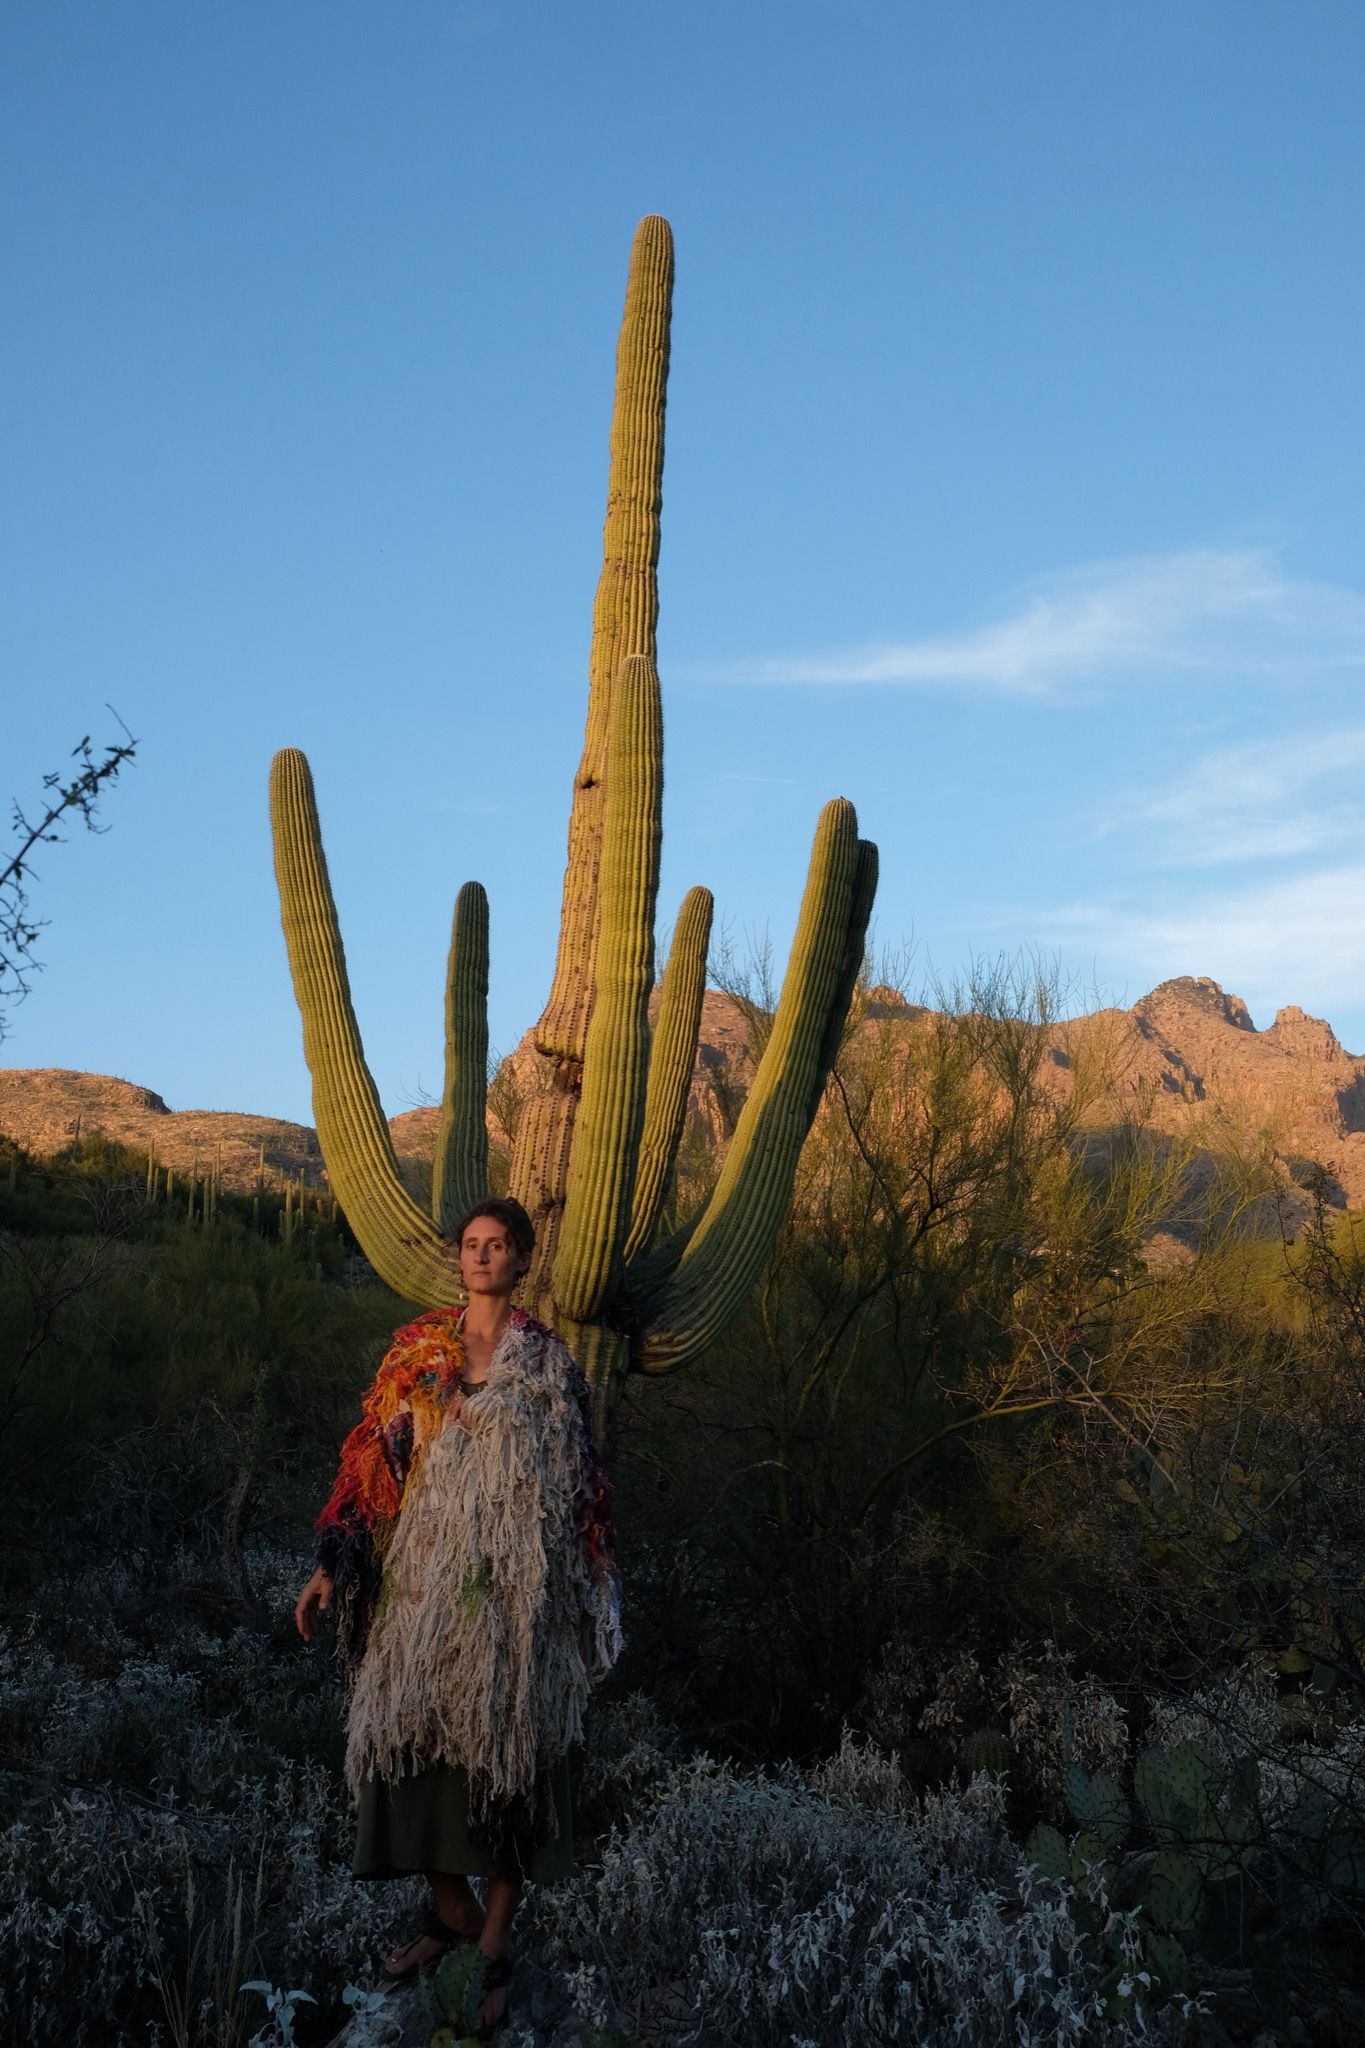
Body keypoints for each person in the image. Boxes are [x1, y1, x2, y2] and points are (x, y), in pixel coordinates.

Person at [294, 1196, 621, 2040]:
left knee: (514, 1759)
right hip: (426, 1590)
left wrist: (593, 1590)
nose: (481, 1257)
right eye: (471, 1245)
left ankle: (495, 1940)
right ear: (460, 1259)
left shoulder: (549, 1364)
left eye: (497, 1246)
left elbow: (584, 1486)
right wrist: (332, 1564)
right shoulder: (419, 1352)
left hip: (521, 1599)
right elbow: (373, 1461)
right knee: (405, 1741)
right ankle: (452, 1912)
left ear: (520, 1261)